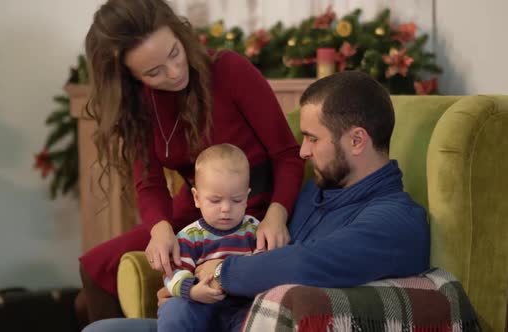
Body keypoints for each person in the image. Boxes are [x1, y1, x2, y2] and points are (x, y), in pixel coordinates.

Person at [81, 71, 431, 332]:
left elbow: (306, 264)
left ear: (357, 141)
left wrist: (219, 273)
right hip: (221, 316)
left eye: (312, 138)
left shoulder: (396, 221)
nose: (303, 151)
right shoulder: (313, 193)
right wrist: (188, 290)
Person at [77, 0, 304, 325]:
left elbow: (286, 155)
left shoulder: (230, 70)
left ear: (180, 35)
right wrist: (160, 230)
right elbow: (150, 183)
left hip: (251, 209)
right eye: (154, 72)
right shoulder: (139, 104)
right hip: (194, 212)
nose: (174, 72)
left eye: (174, 53)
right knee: (94, 270)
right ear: (129, 76)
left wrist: (276, 216)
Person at [161, 143, 264, 331]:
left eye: (237, 200)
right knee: (174, 309)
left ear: (247, 197)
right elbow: (173, 273)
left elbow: (265, 267)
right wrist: (192, 291)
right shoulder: (189, 236)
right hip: (200, 304)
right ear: (197, 198)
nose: (226, 208)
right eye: (215, 200)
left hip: (242, 308)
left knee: (259, 318)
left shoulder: (255, 230)